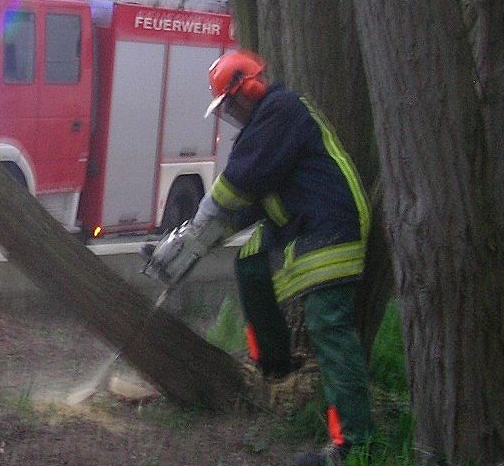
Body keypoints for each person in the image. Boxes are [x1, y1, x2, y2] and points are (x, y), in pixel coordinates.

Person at [146, 49, 374, 465]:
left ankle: (354, 444)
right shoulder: (268, 126)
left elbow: (235, 186)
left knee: (328, 328)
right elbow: (246, 206)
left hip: (330, 226)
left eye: (230, 104)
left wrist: (199, 226)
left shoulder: (280, 112)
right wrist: (195, 244)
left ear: (247, 89)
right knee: (250, 261)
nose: (231, 113)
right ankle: (272, 364)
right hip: (303, 224)